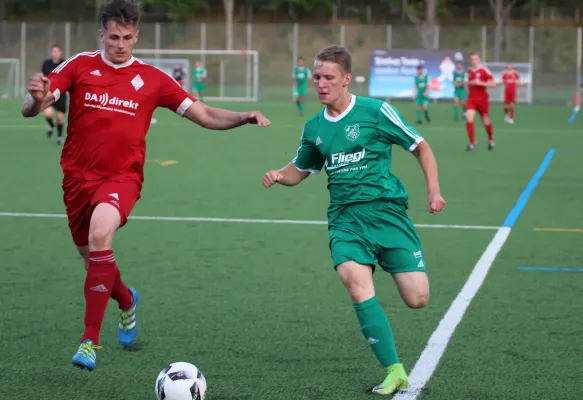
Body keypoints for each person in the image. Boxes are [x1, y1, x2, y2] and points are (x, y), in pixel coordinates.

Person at [21, 0, 270, 371]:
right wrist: (36, 99)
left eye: (126, 37)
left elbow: (202, 114)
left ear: (136, 36)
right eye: (113, 37)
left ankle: (89, 341)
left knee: (100, 236)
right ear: (101, 34)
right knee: (93, 258)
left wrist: (242, 117)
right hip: (76, 179)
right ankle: (126, 300)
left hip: (122, 178)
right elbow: (32, 106)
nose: (119, 44)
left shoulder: (153, 79)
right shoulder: (79, 65)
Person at [262, 45, 446, 396]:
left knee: (417, 298)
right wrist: (279, 175)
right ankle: (394, 370)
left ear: (346, 79)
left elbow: (420, 146)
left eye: (328, 77)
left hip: (387, 213)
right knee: (354, 282)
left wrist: (433, 191)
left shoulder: (376, 111)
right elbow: (301, 168)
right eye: (317, 77)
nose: (320, 84)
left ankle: (396, 264)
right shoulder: (314, 126)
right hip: (346, 219)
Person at [465, 52, 496, 151]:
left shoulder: (484, 70)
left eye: (475, 59)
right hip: (471, 98)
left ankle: (491, 138)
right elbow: (467, 83)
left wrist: (480, 83)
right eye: (472, 59)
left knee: (485, 120)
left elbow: (493, 84)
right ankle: (472, 142)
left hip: (482, 99)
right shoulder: (469, 71)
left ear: (479, 60)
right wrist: (468, 84)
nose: (474, 61)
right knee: (469, 117)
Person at [41, 44, 67, 145]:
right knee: (47, 114)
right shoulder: (46, 64)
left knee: (60, 118)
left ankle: (60, 137)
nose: (55, 53)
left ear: (60, 52)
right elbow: (43, 77)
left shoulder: (64, 63)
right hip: (49, 93)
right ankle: (51, 125)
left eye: (57, 51)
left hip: (61, 94)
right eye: (53, 51)